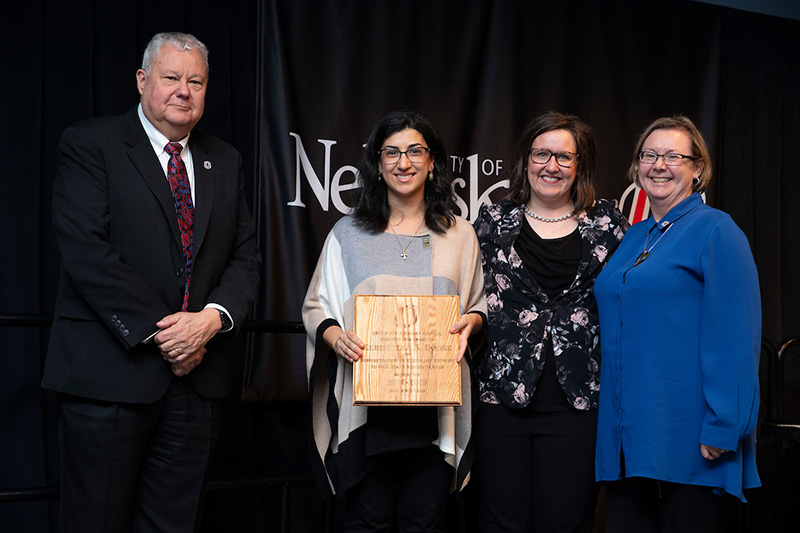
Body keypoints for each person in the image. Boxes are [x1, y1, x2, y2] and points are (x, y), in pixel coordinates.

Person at [42, 32, 262, 532]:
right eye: (171, 78)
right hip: (110, 378)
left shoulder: (225, 161)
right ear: (143, 82)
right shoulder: (91, 143)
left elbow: (245, 258)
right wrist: (169, 334)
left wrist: (210, 320)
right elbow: (87, 251)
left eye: (196, 81)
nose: (184, 90)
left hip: (197, 383)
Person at [303, 110, 487, 531]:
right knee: (368, 520)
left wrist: (470, 325)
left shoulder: (460, 235)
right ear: (377, 162)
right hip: (367, 414)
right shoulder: (347, 234)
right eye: (392, 152)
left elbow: (477, 304)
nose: (403, 163)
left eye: (415, 151)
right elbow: (317, 306)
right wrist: (335, 337)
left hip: (433, 414)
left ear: (432, 161)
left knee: (424, 522)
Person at [594, 116, 761, 532]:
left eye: (673, 156)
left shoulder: (718, 231)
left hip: (689, 438)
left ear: (698, 168)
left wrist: (724, 425)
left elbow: (737, 338)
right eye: (649, 155)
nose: (659, 165)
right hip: (628, 437)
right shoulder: (634, 237)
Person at [471, 111, 627, 532]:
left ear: (581, 166)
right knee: (498, 523)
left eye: (564, 157)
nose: (551, 167)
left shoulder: (608, 225)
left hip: (577, 405)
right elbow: (462, 294)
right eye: (542, 154)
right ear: (526, 160)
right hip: (501, 403)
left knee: (567, 522)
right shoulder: (491, 222)